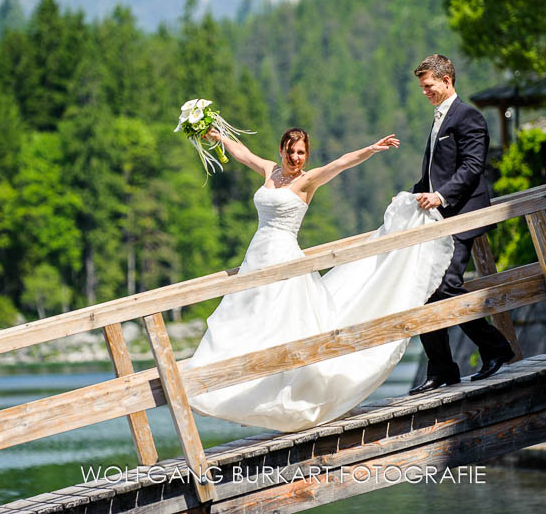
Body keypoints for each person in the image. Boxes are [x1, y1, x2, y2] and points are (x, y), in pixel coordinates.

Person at [186, 127, 454, 432]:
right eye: (291, 151)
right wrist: (217, 136)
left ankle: (286, 393)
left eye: (302, 153)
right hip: (256, 257)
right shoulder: (269, 171)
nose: (296, 158)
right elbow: (243, 153)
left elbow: (340, 164)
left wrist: (370, 148)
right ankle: (234, 386)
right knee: (247, 318)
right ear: (281, 150)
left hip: (284, 257)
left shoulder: (307, 180)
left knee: (283, 322)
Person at [407, 54, 514, 395]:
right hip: (439, 220)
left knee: (447, 285)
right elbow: (434, 171)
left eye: (429, 86)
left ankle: (495, 348)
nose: (425, 93)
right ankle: (442, 370)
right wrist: (411, 196)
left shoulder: (469, 117)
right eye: (423, 87)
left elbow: (471, 168)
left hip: (461, 216)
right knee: (426, 290)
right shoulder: (439, 118)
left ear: (447, 80)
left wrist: (440, 196)